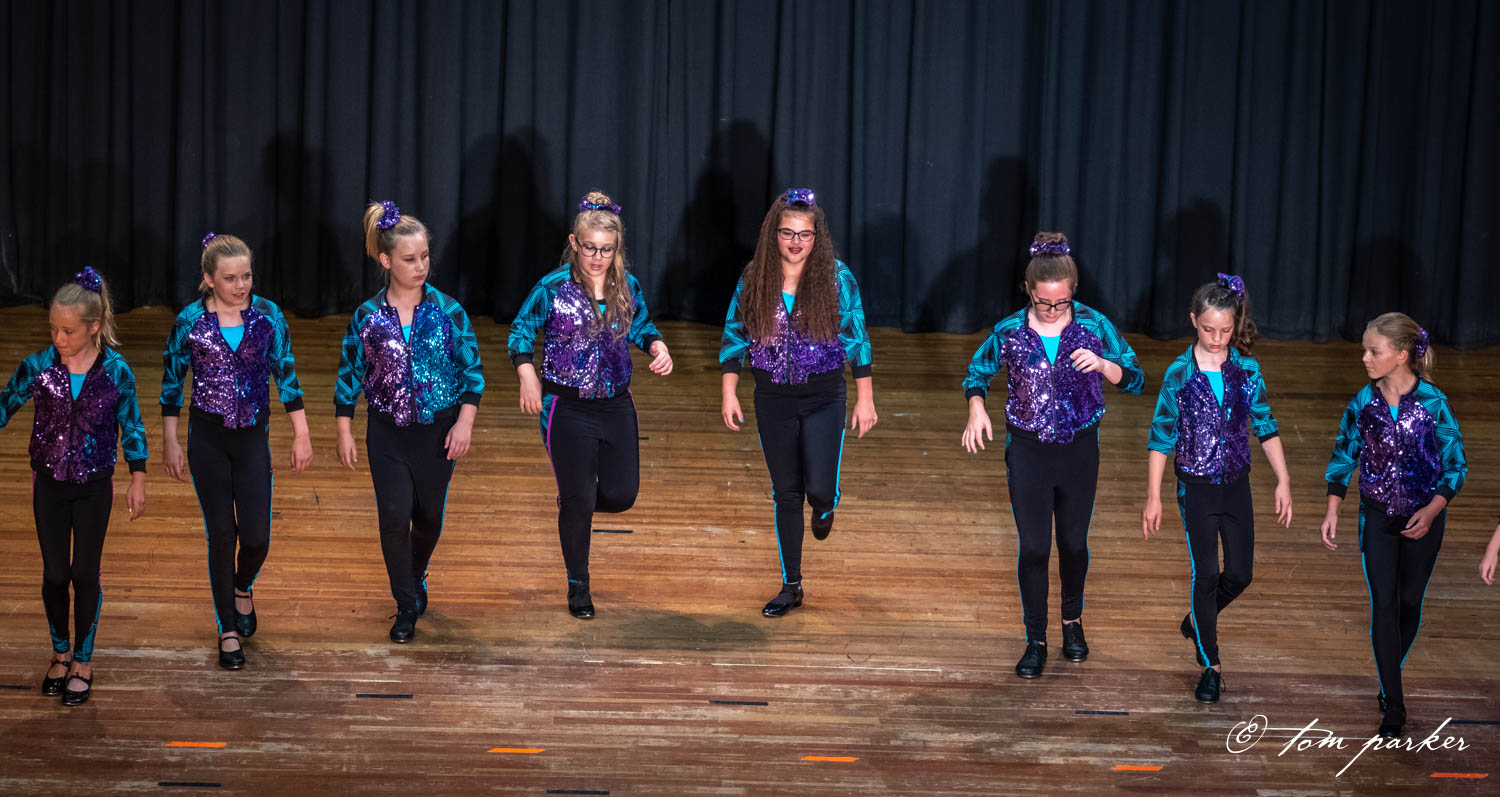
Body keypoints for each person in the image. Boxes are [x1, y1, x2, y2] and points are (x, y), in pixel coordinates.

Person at [961, 232, 1144, 678]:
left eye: (1061, 302)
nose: (1052, 310)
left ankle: (1072, 622)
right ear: (1029, 291)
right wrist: (976, 408)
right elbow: (976, 373)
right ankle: (1036, 638)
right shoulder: (1009, 330)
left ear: (1073, 291)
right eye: (1043, 302)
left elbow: (1135, 379)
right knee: (1035, 547)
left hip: (1080, 450)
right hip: (1028, 451)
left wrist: (1104, 365)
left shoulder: (1095, 326)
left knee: (1073, 544)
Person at [508, 191, 671, 618]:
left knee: (621, 494)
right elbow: (520, 332)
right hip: (567, 406)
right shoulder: (552, 287)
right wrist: (527, 373)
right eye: (589, 248)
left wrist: (656, 346)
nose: (597, 258)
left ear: (617, 249)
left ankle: (573, 501)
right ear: (574, 243)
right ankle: (578, 584)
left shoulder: (626, 285)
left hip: (616, 404)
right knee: (579, 500)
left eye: (607, 249)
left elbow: (642, 325)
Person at [720, 188, 877, 617]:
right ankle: (792, 585)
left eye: (805, 234)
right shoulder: (755, 277)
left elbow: (857, 339)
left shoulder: (836, 278)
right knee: (786, 493)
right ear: (773, 233)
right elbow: (735, 334)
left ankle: (825, 505)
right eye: (787, 233)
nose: (795, 242)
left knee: (818, 489)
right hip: (772, 397)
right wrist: (729, 391)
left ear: (817, 237)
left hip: (824, 395)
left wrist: (865, 399)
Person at [162, 234, 310, 670]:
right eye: (230, 278)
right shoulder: (189, 321)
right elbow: (172, 385)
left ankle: (242, 586)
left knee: (257, 537)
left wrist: (301, 433)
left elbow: (286, 374)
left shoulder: (268, 316)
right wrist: (171, 441)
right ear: (209, 280)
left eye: (246, 276)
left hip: (252, 439)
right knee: (222, 535)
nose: (241, 285)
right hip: (208, 439)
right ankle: (226, 628)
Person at [336, 201, 482, 643]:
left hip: (438, 432)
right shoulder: (367, 317)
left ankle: (415, 573)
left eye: (424, 257)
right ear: (386, 261)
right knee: (395, 518)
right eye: (409, 259)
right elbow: (350, 375)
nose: (420, 267)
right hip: (387, 433)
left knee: (429, 518)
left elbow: (473, 373)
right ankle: (404, 605)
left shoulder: (449, 311)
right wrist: (344, 430)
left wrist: (464, 423)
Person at [1141, 274, 1292, 703]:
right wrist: (1153, 496)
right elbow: (1161, 438)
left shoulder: (1247, 371)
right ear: (1194, 321)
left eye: (1225, 330)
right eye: (1209, 329)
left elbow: (1265, 425)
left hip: (1236, 486)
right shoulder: (1179, 374)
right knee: (1205, 574)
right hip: (1196, 488)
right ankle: (1211, 665)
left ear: (1235, 325)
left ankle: (1197, 620)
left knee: (1240, 573)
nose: (1216, 338)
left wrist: (1283, 479)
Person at [1, 268, 147, 706]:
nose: (58, 339)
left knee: (84, 573)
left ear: (93, 327)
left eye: (68, 331)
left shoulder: (116, 372)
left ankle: (83, 660)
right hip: (48, 483)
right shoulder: (38, 367)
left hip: (93, 486)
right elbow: (5, 404)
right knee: (54, 574)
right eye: (53, 329)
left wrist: (138, 478)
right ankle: (60, 652)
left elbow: (132, 426)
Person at [1322, 312, 1465, 739]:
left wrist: (1433, 509)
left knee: (1408, 603)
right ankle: (1394, 701)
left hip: (1425, 518)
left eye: (1374, 351)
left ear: (1402, 355)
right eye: (1364, 350)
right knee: (1383, 604)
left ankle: (1389, 675)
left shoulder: (1434, 403)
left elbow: (1456, 465)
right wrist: (1333, 508)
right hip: (1377, 518)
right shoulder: (1362, 404)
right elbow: (1343, 455)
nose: (1365, 358)